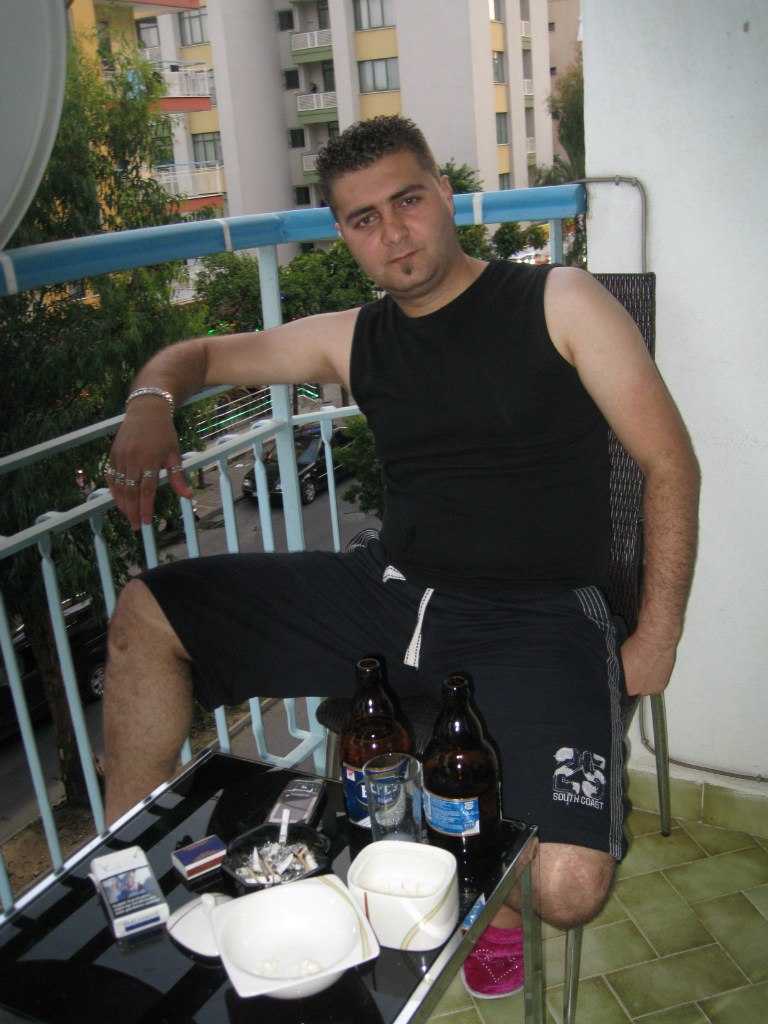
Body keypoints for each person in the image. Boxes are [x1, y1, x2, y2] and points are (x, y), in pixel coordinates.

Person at [103, 116, 700, 998]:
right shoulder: (354, 337)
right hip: (388, 592)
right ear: (344, 234)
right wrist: (151, 399)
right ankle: (130, 868)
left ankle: (459, 882)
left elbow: (669, 464)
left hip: (538, 614)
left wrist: (658, 637)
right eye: (364, 219)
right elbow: (197, 354)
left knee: (568, 889)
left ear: (445, 195)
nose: (393, 232)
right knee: (147, 613)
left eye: (408, 201)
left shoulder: (558, 300)